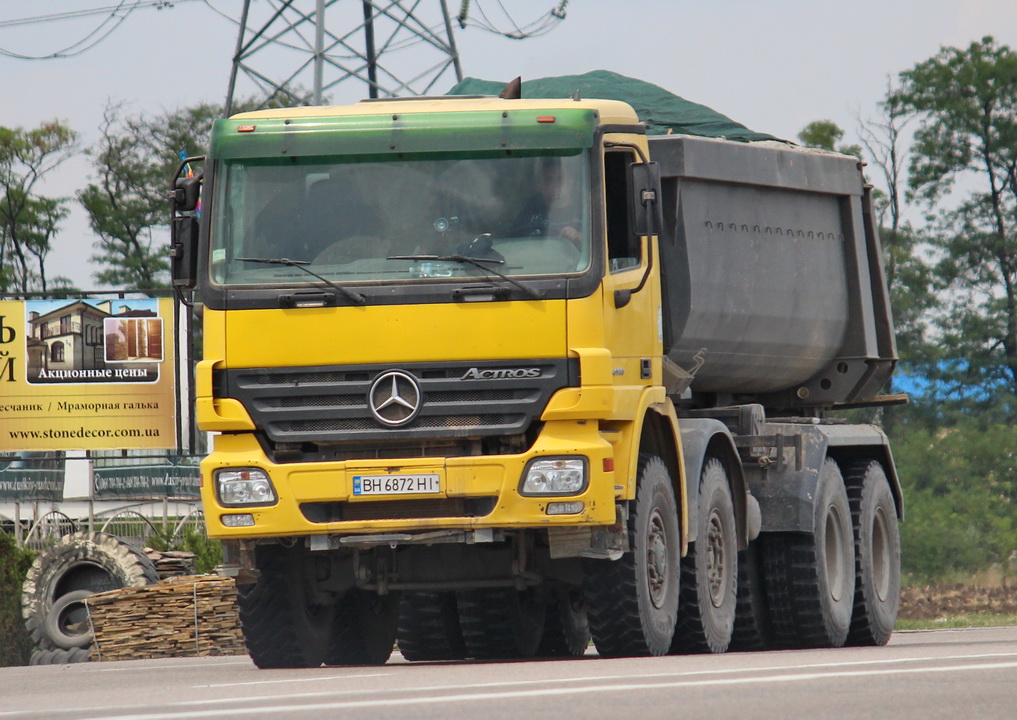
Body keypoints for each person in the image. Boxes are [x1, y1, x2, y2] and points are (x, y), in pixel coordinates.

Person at [506, 157, 582, 243]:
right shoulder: (531, 208)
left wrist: (577, 236)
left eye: (560, 179)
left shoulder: (584, 208)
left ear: (571, 182)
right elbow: (513, 239)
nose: (555, 185)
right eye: (548, 180)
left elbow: (598, 241)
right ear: (541, 185)